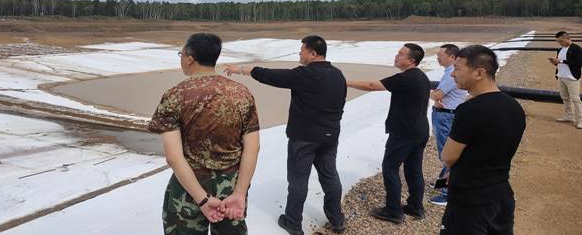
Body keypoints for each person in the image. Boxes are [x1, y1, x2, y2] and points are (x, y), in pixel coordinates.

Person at [224, 35, 346, 235]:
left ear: (313, 53)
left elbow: (272, 76)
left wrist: (242, 69)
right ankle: (337, 219)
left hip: (305, 138)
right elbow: (340, 104)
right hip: (330, 136)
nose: (300, 53)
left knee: (298, 180)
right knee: (330, 176)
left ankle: (293, 222)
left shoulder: (304, 74)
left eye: (302, 50)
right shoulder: (337, 74)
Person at [148, 33, 260, 235]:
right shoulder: (241, 93)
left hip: (188, 189)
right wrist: (240, 192)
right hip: (231, 187)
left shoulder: (175, 95)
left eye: (181, 54)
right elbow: (253, 147)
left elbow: (173, 157)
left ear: (190, 58)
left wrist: (202, 199)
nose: (181, 58)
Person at [441, 45, 526, 235]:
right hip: (502, 193)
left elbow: (448, 157)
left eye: (457, 69)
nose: (453, 74)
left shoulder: (470, 110)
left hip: (470, 199)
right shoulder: (514, 107)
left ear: (479, 73)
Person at [347, 43, 430, 224]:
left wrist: (344, 82)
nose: (396, 56)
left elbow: (372, 85)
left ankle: (393, 211)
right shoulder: (421, 76)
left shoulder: (407, 77)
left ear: (411, 60)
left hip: (404, 132)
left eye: (401, 54)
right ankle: (416, 207)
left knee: (390, 168)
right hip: (420, 129)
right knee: (414, 170)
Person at [429, 44, 468, 206]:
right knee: (446, 152)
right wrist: (435, 96)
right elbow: (438, 95)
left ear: (452, 57)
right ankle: (442, 183)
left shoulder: (452, 74)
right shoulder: (449, 72)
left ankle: (447, 193)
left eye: (441, 55)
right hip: (446, 114)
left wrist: (430, 93)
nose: (438, 57)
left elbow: (438, 94)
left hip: (446, 115)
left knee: (447, 154)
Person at [548, 31, 582, 129]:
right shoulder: (560, 50)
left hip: (572, 78)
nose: (560, 43)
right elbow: (559, 63)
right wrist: (554, 62)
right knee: (565, 97)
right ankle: (569, 116)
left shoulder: (577, 49)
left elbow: (579, 63)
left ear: (567, 38)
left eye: (561, 41)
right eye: (558, 42)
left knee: (576, 99)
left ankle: (580, 120)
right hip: (561, 76)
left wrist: (562, 61)